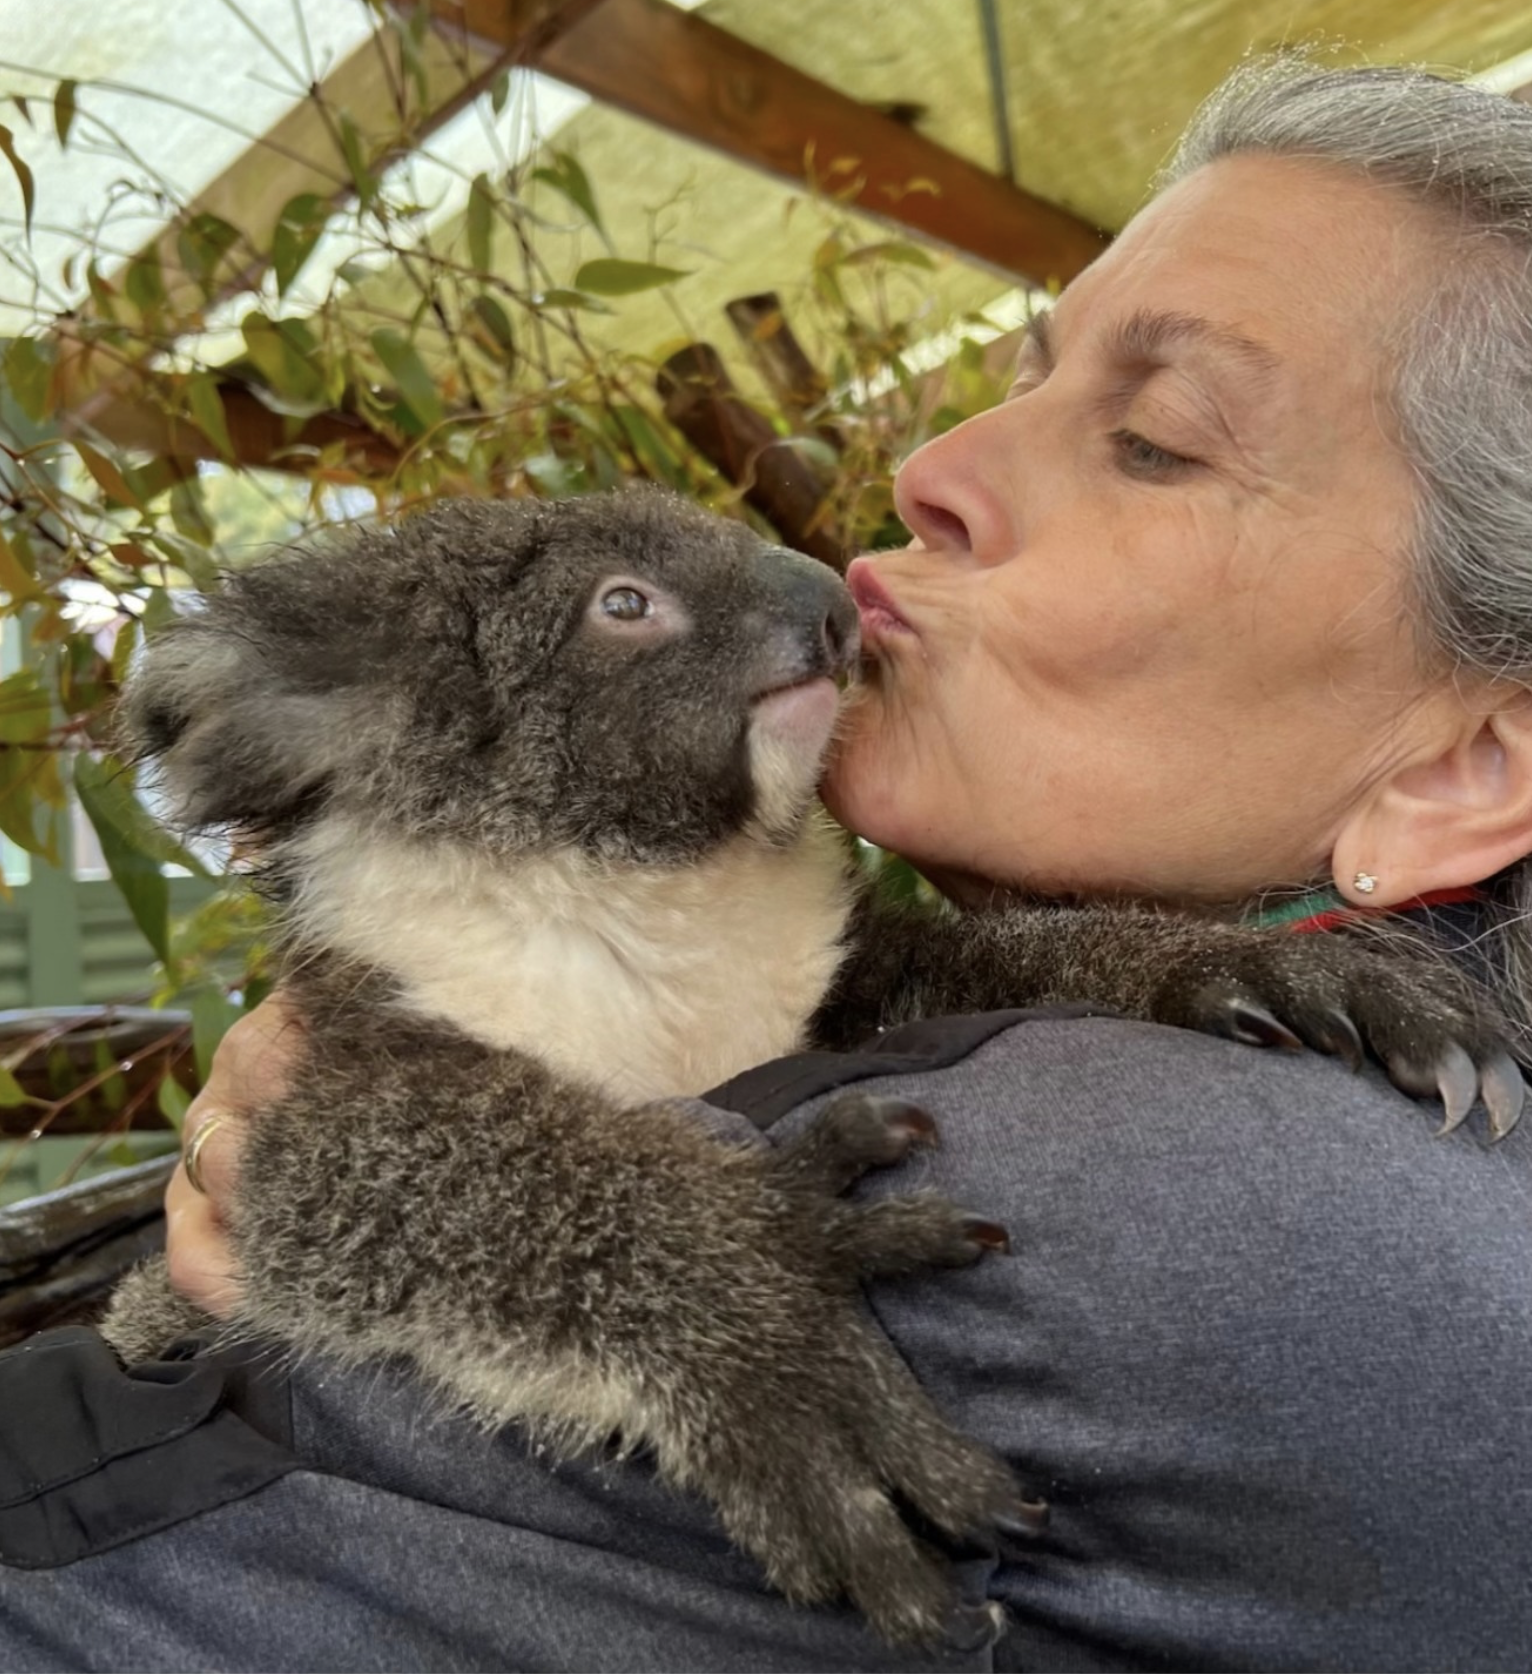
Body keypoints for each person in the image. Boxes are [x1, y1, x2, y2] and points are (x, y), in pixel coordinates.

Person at [5, 55, 1532, 1671]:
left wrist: (653, 1270)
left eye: (1154, 439)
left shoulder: (1136, 1189)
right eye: (1019, 374)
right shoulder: (1351, 1100)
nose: (931, 463)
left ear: (1463, 767)